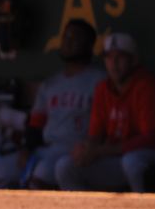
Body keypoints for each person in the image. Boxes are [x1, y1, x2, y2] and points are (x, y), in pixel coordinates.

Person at [55, 33, 155, 192]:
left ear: (134, 60)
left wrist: (101, 150)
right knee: (66, 166)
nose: (114, 64)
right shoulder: (103, 88)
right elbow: (95, 134)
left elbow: (153, 140)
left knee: (132, 161)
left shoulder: (148, 87)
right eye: (109, 58)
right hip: (119, 159)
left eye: (120, 57)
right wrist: (86, 148)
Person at [22, 19, 105, 189]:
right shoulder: (50, 84)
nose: (68, 42)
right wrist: (27, 148)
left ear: (89, 45)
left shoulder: (100, 81)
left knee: (42, 174)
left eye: (75, 38)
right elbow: (36, 123)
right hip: (48, 148)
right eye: (66, 37)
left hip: (78, 149)